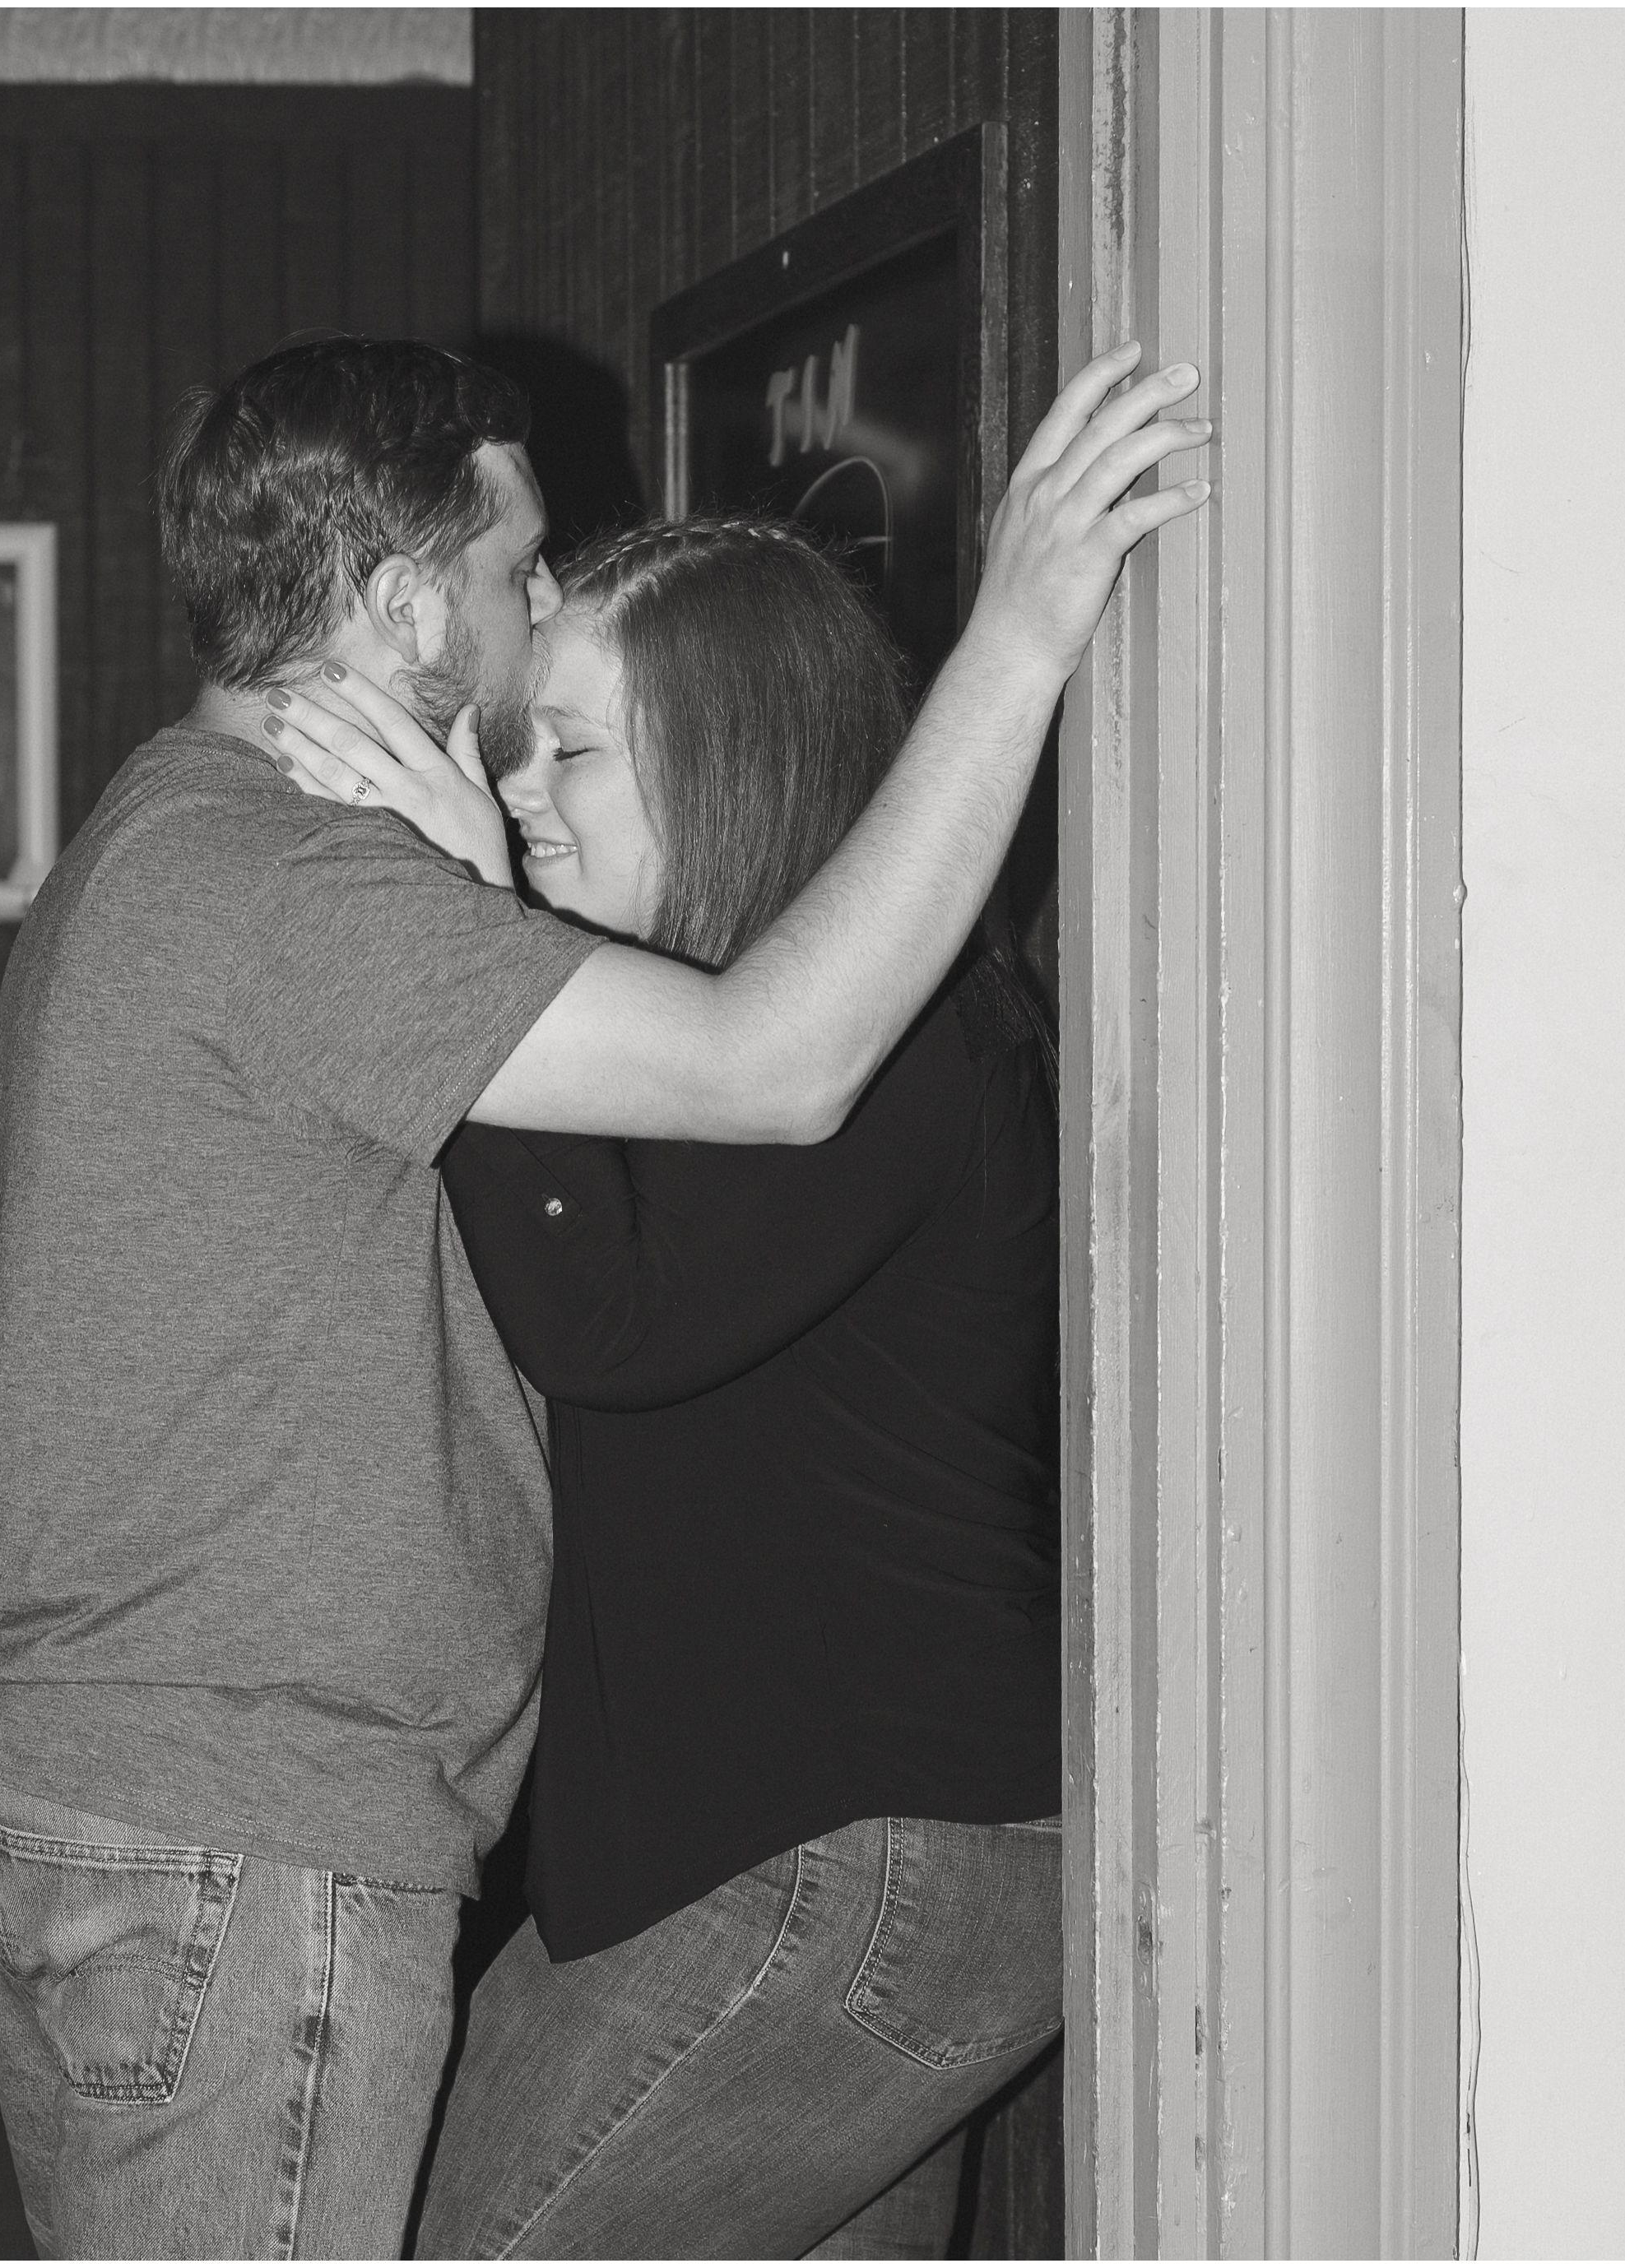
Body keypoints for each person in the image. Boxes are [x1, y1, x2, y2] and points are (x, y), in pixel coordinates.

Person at [0, 332, 1208, 2259]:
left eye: (582, 745)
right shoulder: (298, 884)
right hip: (231, 1806)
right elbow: (747, 1093)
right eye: (519, 572)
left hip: (321, 1804)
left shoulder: (211, 852)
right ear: (399, 604)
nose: (531, 625)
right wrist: (1014, 635)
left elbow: (679, 1204)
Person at [274, 516, 1061, 2259]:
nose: (522, 794)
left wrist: (468, 935)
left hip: (852, 1857)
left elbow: (606, 1323)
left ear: (731, 763)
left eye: (569, 751)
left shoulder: (896, 1037)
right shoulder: (712, 1037)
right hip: (811, 1854)